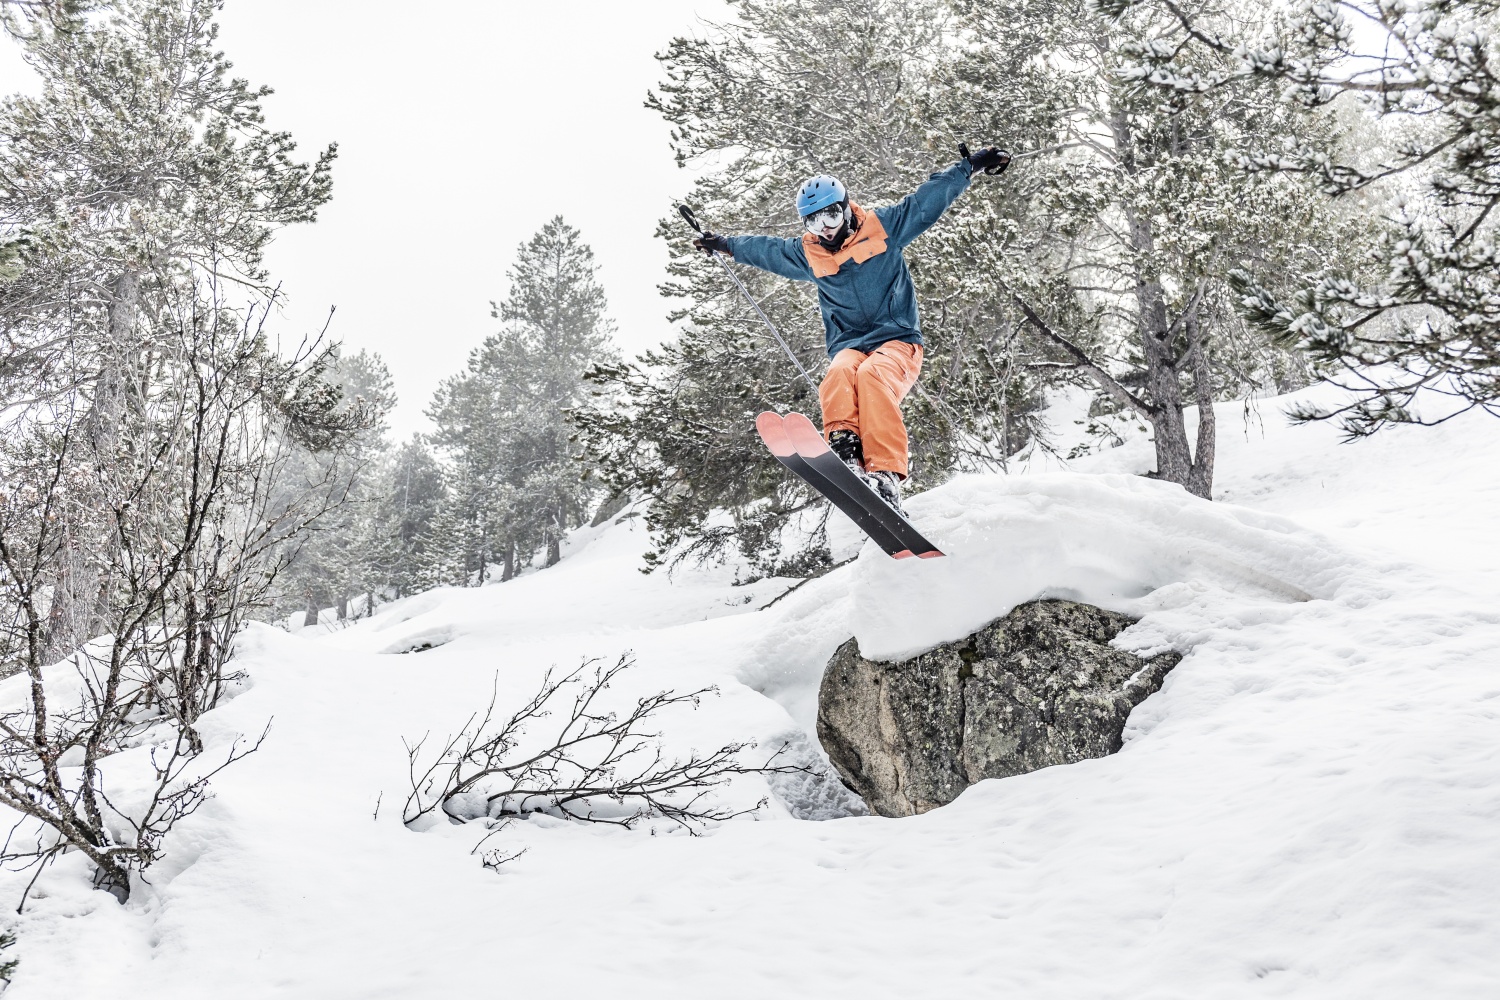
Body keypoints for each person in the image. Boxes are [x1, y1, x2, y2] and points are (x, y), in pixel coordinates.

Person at [693, 144, 1009, 515]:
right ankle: (846, 450)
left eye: (829, 216)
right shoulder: (808, 254)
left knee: (873, 377)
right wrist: (726, 245)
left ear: (844, 207)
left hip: (897, 340)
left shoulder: (884, 228)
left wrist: (970, 166)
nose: (823, 229)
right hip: (851, 344)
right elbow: (767, 250)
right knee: (841, 372)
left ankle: (886, 474)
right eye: (812, 221)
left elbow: (928, 200)